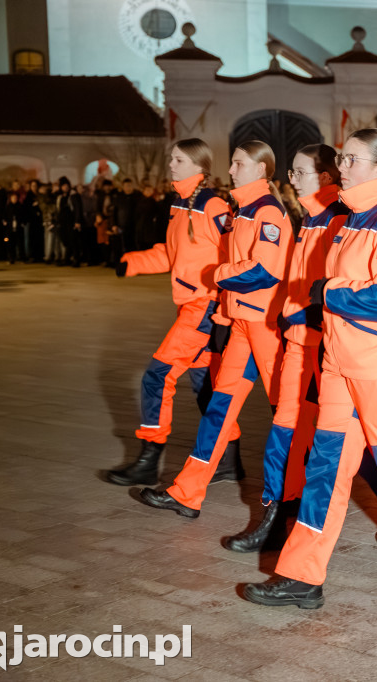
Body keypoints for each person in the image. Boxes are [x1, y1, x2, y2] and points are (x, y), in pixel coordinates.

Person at [244, 128, 377, 609]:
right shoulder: (356, 219)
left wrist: (328, 290)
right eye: (342, 157)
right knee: (324, 468)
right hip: (343, 365)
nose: (343, 166)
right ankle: (301, 576)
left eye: (355, 159)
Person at [139, 140, 292, 517]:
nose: (232, 170)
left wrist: (218, 276)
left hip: (265, 326)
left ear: (260, 170)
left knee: (287, 413)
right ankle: (187, 492)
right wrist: (224, 315)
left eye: (239, 164)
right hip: (241, 322)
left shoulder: (268, 212)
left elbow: (264, 270)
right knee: (219, 409)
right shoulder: (245, 210)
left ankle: (300, 494)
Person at [220, 144, 349, 553]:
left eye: (299, 172)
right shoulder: (311, 218)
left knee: (352, 445)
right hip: (296, 343)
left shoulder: (339, 221)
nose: (290, 179)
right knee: (285, 434)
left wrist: (305, 319)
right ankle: (275, 517)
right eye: (290, 172)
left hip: (323, 349)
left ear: (325, 177)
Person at [105, 138, 241, 488]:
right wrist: (131, 262)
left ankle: (150, 457)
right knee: (205, 387)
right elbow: (171, 253)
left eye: (178, 159)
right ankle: (228, 460)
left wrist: (222, 308)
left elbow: (235, 256)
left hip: (203, 307)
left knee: (156, 376)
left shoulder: (213, 206)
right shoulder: (181, 204)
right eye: (172, 158)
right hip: (192, 305)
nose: (171, 164)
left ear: (199, 166)